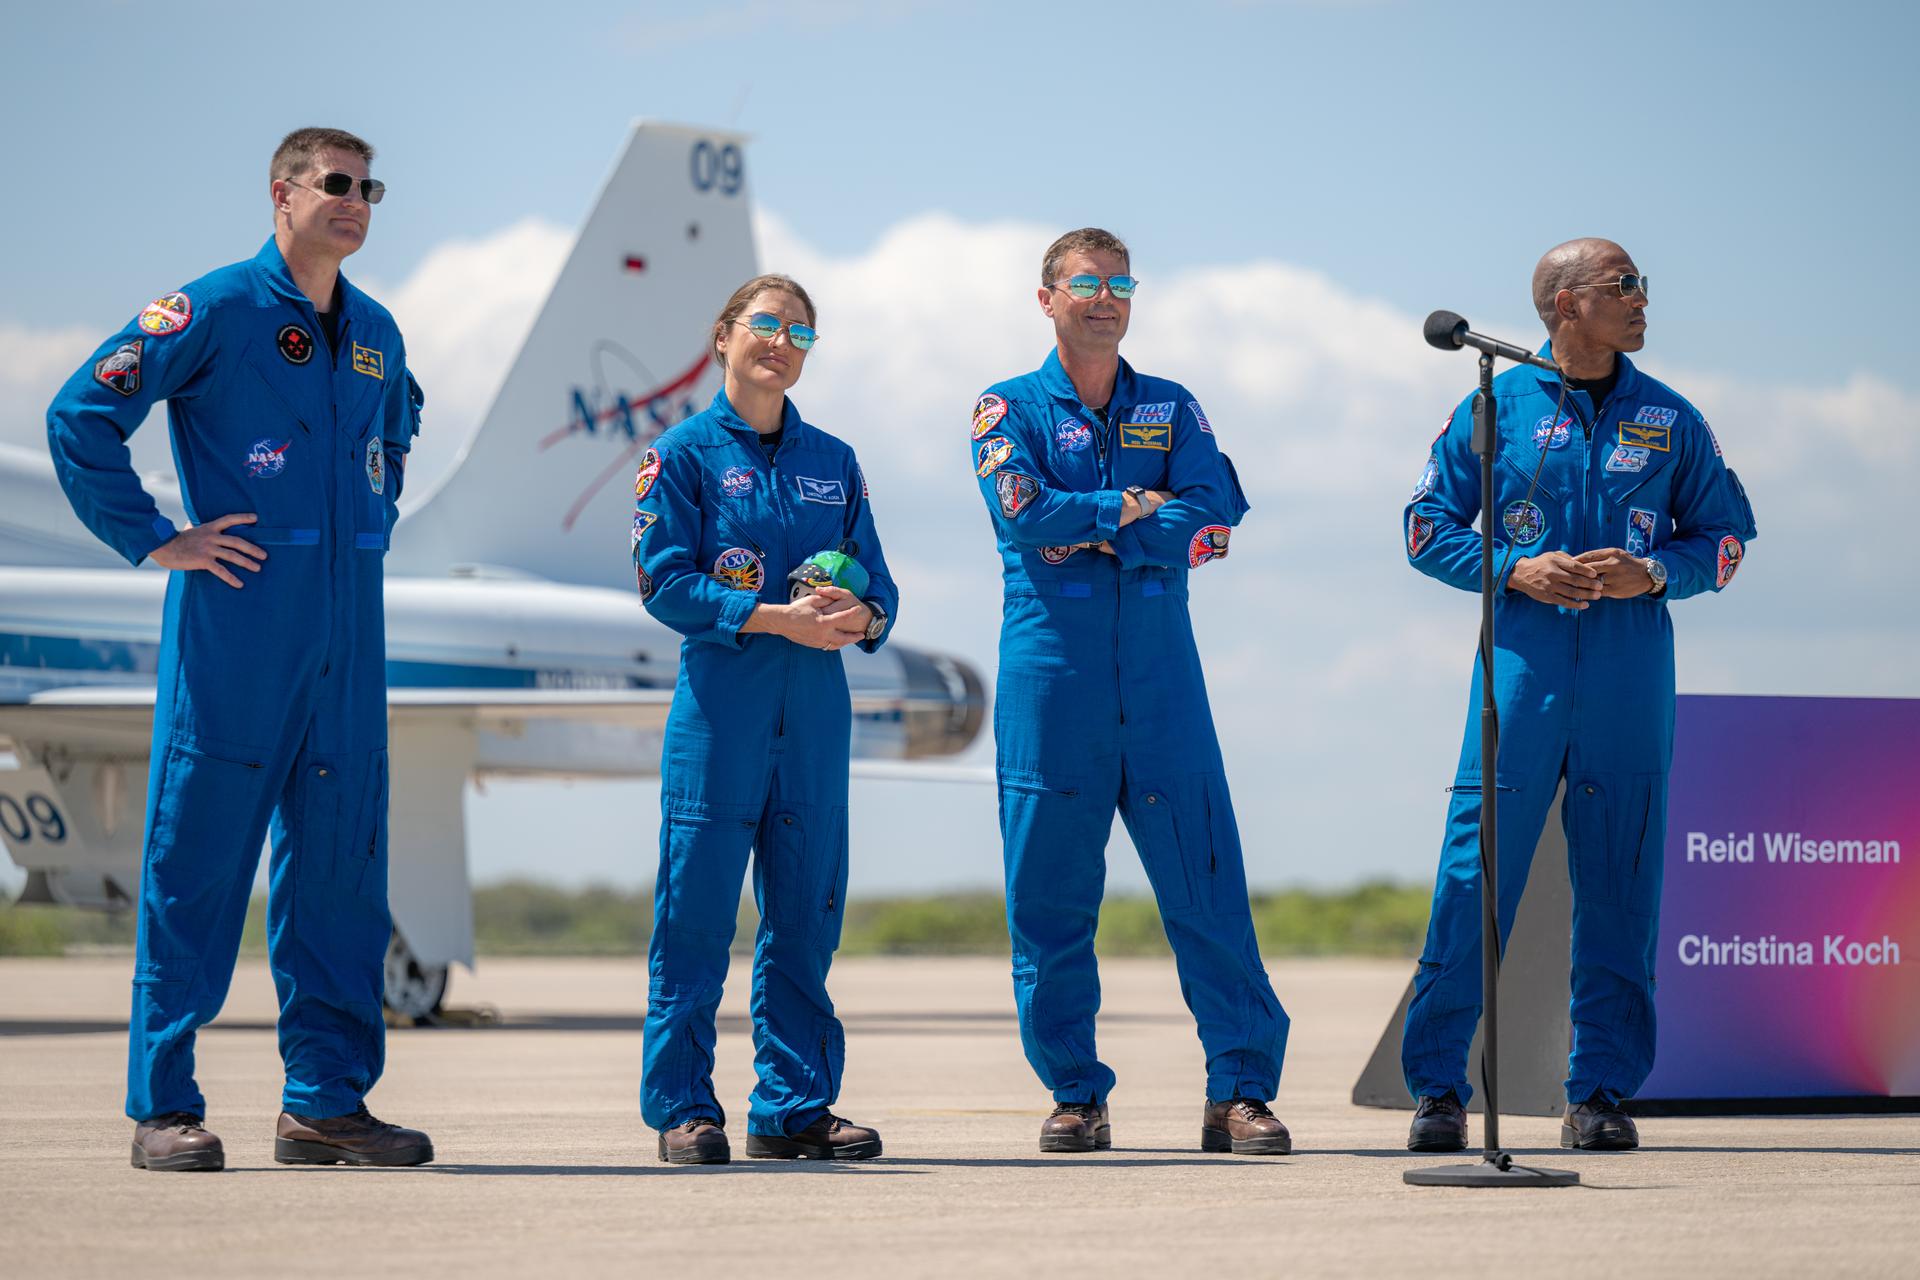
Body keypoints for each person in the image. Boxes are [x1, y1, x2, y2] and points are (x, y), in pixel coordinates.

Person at [46, 128, 429, 1171]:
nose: (356, 203)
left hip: (350, 642)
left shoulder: (376, 331)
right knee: (197, 869)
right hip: (239, 633)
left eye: (370, 188)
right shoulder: (211, 308)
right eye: (337, 184)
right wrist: (155, 536)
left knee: (343, 877)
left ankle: (326, 1103)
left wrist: (376, 504)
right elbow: (81, 415)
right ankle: (164, 1105)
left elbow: (401, 421)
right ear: (284, 192)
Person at [1400, 238, 1757, 1152]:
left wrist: (1658, 572)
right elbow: (1424, 527)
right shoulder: (1496, 404)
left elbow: (1724, 540)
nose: (1642, 301)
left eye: (1642, 284)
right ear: (1564, 305)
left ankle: (1599, 1093)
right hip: (1522, 674)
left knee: (1621, 888)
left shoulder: (1671, 418)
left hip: (1631, 678)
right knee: (1474, 878)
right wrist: (1515, 569)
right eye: (1623, 286)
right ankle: (1439, 1090)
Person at [969, 228, 1291, 1156]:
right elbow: (1024, 514)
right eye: (1085, 283)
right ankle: (1077, 1094)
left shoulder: (1172, 405)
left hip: (1162, 677)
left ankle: (1238, 1093)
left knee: (1208, 888)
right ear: (1047, 298)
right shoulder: (1009, 406)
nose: (1105, 297)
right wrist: (1132, 508)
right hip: (1051, 676)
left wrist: (1117, 526)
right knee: (1051, 900)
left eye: (1120, 283)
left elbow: (1218, 509)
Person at [633, 274, 899, 1164]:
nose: (780, 343)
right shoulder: (682, 454)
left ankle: (792, 1108)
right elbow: (663, 582)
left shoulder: (836, 461)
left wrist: (861, 618)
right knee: (696, 919)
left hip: (816, 719)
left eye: (799, 333)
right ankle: (683, 1108)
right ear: (723, 337)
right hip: (721, 716)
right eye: (765, 325)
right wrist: (772, 618)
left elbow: (881, 588)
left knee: (804, 919)